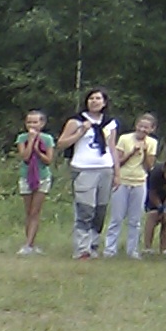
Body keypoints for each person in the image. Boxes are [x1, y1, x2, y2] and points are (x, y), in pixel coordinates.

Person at [58, 88, 118, 259]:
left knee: (100, 209)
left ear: (104, 103)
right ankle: (82, 248)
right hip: (84, 168)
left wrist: (117, 172)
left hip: (105, 168)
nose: (94, 101)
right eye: (91, 98)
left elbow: (112, 147)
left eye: (98, 98)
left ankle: (94, 245)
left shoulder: (110, 123)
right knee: (85, 209)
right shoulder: (76, 121)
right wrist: (81, 132)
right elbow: (61, 143)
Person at [111, 113, 159, 259]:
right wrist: (132, 152)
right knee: (117, 217)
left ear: (152, 129)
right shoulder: (124, 138)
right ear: (136, 125)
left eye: (146, 127)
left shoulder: (152, 143)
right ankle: (110, 249)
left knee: (135, 219)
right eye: (140, 126)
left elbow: (149, 167)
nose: (142, 129)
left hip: (139, 182)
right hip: (122, 181)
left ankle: (132, 250)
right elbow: (118, 162)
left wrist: (144, 152)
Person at [14, 110, 54, 255]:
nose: (32, 125)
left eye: (35, 122)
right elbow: (25, 157)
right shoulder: (22, 138)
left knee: (35, 211)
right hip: (26, 177)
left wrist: (38, 150)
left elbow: (48, 160)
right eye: (29, 122)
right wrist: (31, 141)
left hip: (42, 177)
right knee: (28, 212)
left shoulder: (47, 139)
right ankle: (30, 243)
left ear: (42, 124)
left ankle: (29, 244)